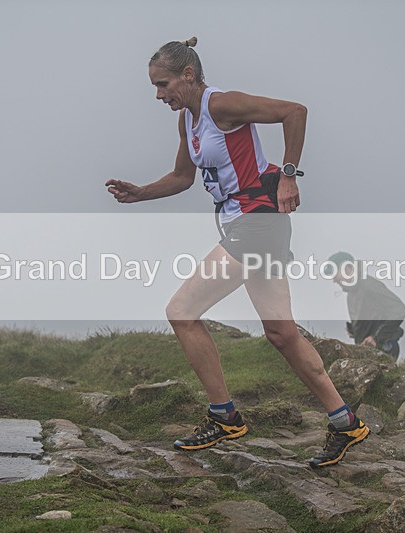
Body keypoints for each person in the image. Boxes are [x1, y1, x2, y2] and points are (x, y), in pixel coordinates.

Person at [105, 37, 369, 468]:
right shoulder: (188, 121)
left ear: (188, 75)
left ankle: (224, 416)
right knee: (282, 334)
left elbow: (294, 111)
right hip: (249, 226)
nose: (158, 95)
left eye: (163, 84)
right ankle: (345, 424)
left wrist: (288, 176)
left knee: (182, 310)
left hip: (257, 222)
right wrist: (141, 193)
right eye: (154, 87)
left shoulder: (221, 105)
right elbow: (181, 176)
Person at [325, 252, 405, 360]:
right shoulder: (352, 293)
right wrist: (355, 331)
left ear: (347, 270)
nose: (334, 280)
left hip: (384, 348)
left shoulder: (368, 285)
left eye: (335, 275)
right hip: (367, 352)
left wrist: (376, 338)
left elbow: (400, 310)